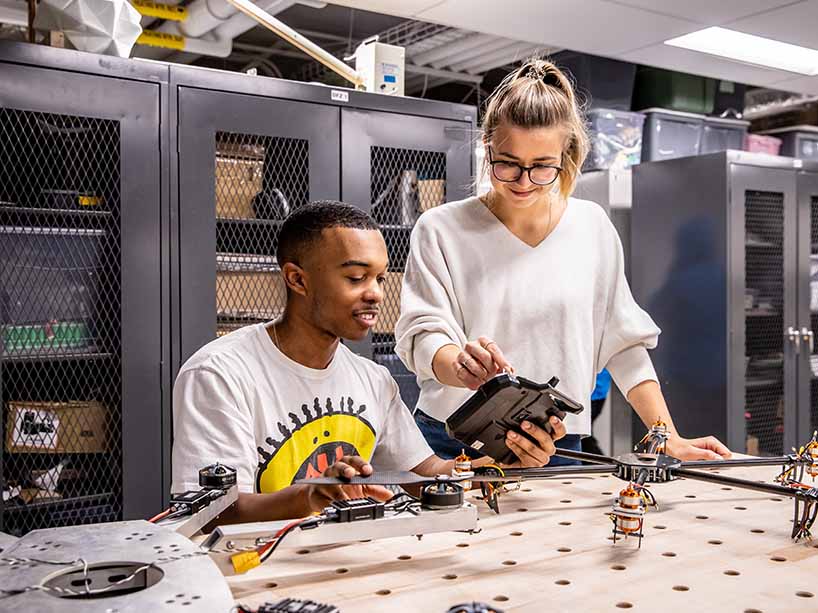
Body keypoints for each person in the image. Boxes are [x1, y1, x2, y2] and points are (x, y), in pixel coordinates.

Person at [395, 58, 732, 463]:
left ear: (566, 156)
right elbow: (424, 333)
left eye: (541, 167)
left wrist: (666, 436)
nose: (522, 181)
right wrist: (459, 365)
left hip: (554, 442)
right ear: (487, 147)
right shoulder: (441, 228)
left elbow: (622, 342)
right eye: (508, 163)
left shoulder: (591, 227)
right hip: (456, 441)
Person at [170, 201, 565, 523]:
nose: (376, 294)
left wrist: (501, 461)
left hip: (349, 562)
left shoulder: (373, 379)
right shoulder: (219, 374)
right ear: (298, 279)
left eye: (379, 278)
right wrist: (314, 494)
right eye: (357, 277)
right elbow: (214, 512)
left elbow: (421, 474)